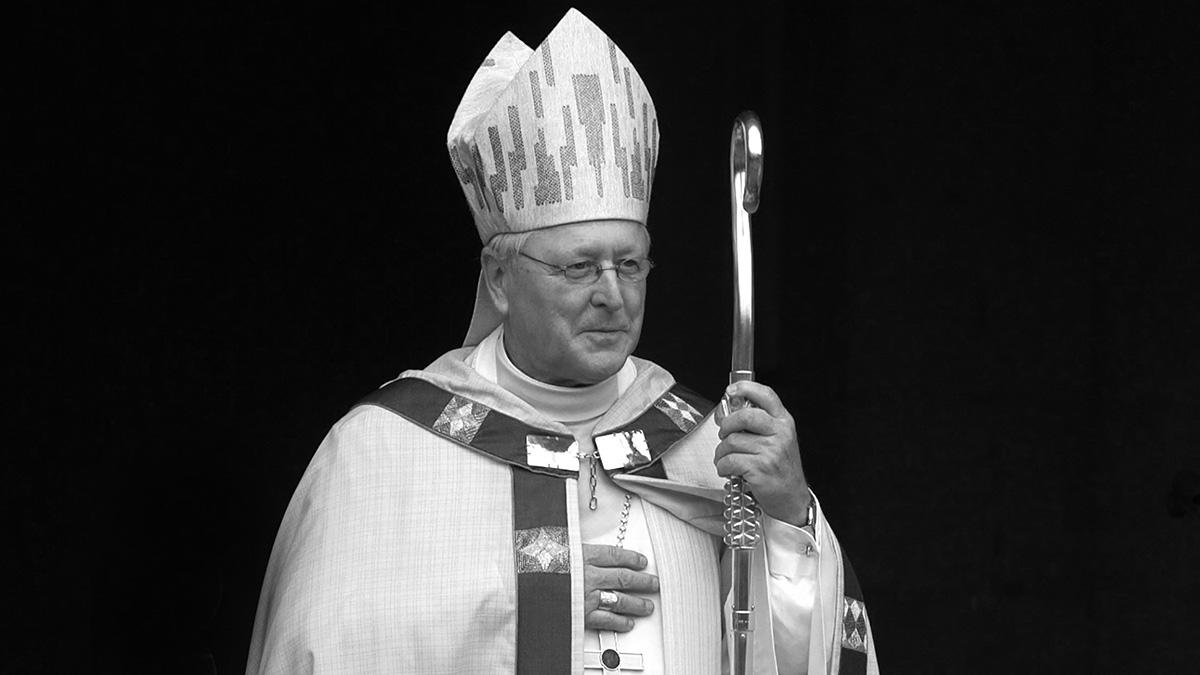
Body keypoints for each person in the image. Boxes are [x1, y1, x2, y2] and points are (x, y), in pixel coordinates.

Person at [247, 9, 878, 675]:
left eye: (629, 264)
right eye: (579, 267)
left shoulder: (705, 448)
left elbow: (786, 652)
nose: (612, 293)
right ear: (499, 278)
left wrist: (789, 517)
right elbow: (325, 640)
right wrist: (534, 598)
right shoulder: (385, 448)